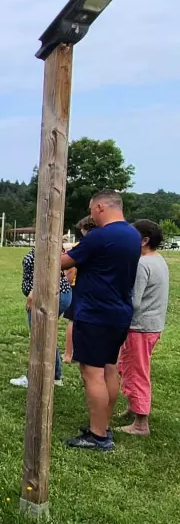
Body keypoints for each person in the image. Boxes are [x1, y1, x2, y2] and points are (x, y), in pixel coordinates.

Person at [60, 190, 141, 451]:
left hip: (95, 313)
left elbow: (62, 262)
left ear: (101, 207)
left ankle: (98, 436)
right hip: (118, 311)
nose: (92, 215)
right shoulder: (132, 235)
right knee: (108, 368)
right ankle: (102, 425)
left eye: (92, 209)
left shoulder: (100, 236)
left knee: (91, 372)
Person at [116, 220, 170, 436]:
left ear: (144, 240)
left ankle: (140, 424)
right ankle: (133, 408)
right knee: (129, 366)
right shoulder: (158, 260)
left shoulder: (142, 265)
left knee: (136, 371)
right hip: (151, 327)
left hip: (140, 327)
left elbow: (134, 302)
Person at [9, 246, 72, 387]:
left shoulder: (47, 246)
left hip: (47, 295)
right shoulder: (43, 245)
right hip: (55, 294)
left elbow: (47, 270)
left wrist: (34, 292)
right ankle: (55, 376)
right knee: (46, 334)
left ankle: (34, 377)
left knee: (39, 335)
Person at [63, 216, 97, 364]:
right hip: (93, 290)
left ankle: (68, 354)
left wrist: (67, 284)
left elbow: (70, 269)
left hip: (77, 288)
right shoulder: (101, 245)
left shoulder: (81, 246)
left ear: (85, 229)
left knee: (72, 321)